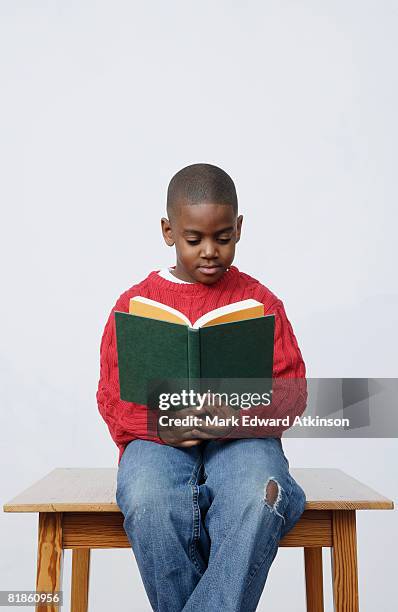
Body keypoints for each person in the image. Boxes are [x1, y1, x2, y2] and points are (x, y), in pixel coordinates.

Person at [97, 163, 307, 612]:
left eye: (223, 237)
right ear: (168, 230)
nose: (210, 251)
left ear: (239, 228)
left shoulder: (261, 303)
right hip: (158, 441)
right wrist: (162, 423)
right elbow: (112, 399)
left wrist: (234, 418)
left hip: (242, 438)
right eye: (194, 240)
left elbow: (292, 396)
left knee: (259, 492)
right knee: (147, 497)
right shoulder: (133, 306)